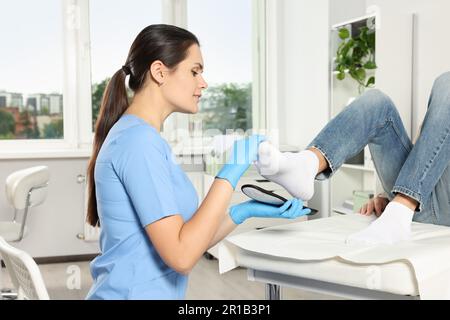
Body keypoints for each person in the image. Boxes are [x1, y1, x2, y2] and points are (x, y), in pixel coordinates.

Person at [84, 24, 310, 300]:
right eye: (195, 71)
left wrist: (243, 211)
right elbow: (181, 256)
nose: (203, 83)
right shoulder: (138, 142)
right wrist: (230, 173)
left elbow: (188, 239)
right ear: (159, 72)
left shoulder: (142, 138)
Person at [256, 71, 450, 245]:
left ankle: (400, 211)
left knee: (447, 81)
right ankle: (308, 164)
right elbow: (427, 151)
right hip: (425, 197)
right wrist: (385, 194)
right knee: (377, 101)